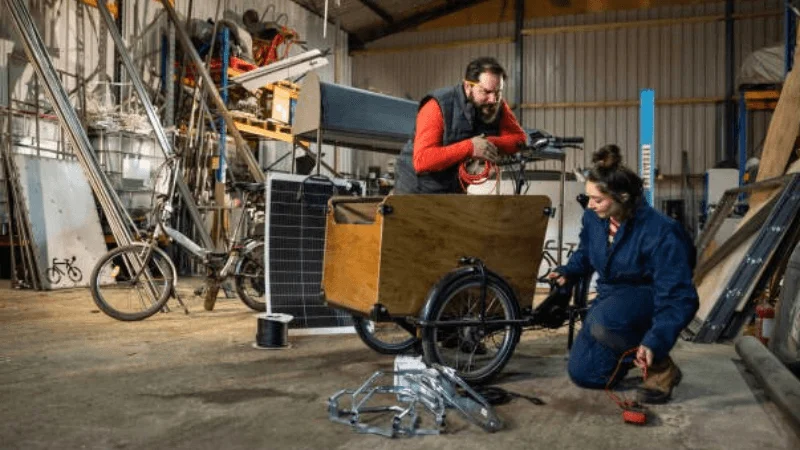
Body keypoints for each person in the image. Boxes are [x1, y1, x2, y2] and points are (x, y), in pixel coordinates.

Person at [548, 144, 699, 404]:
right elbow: (586, 252)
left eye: (598, 200)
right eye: (588, 198)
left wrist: (656, 340)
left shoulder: (661, 232)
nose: (591, 206)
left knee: (604, 320)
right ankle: (632, 351)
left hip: (647, 296)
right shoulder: (595, 219)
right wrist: (569, 271)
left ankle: (660, 366)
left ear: (624, 197)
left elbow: (678, 296)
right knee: (584, 374)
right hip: (612, 297)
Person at [394, 56, 527, 194]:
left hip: (453, 190)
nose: (493, 99)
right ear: (468, 86)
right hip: (417, 191)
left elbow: (519, 139)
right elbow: (423, 160)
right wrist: (470, 147)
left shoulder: (497, 105)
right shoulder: (436, 106)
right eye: (486, 92)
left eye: (498, 92)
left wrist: (487, 144)